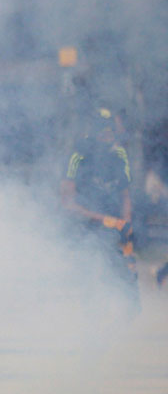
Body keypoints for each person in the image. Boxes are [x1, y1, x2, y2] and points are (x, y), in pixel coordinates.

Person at [61, 106, 138, 311]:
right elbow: (68, 204)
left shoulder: (119, 154)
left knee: (124, 274)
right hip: (83, 226)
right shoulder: (78, 156)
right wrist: (104, 219)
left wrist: (126, 223)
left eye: (111, 129)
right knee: (89, 276)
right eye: (103, 130)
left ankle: (123, 309)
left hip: (113, 226)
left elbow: (125, 195)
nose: (109, 134)